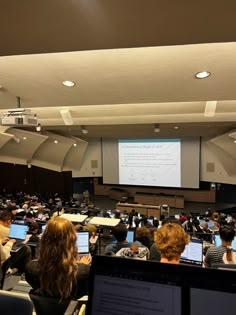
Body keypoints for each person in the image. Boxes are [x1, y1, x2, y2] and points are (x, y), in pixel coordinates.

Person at [25, 217, 91, 300]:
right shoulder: (84, 272)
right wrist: (82, 265)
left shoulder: (30, 268)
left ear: (44, 239)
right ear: (72, 241)